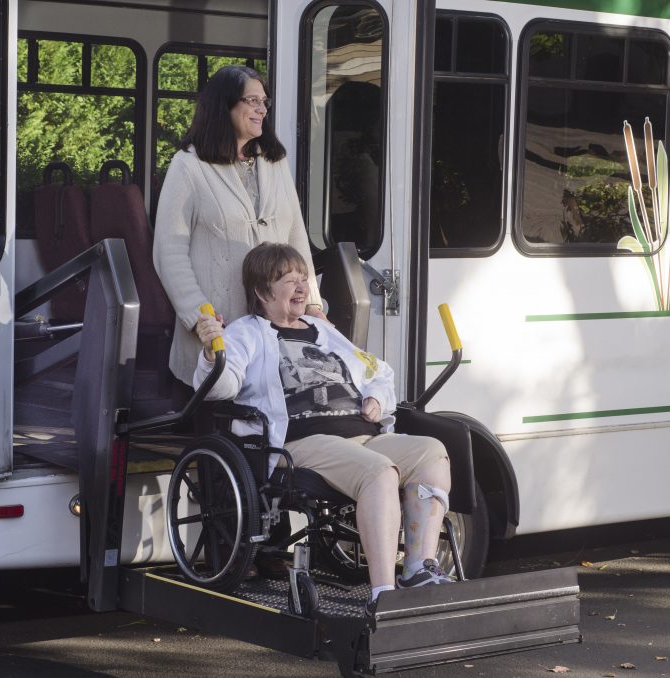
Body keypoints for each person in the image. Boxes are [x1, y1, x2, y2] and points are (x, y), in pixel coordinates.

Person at [194, 242, 454, 611]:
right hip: (301, 440)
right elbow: (220, 388)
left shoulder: (321, 329)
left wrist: (377, 398)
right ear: (261, 290)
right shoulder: (246, 333)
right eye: (289, 281)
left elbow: (376, 370)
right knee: (380, 473)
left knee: (432, 452)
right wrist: (211, 352)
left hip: (360, 434)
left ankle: (417, 567)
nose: (302, 288)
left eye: (304, 279)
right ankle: (383, 592)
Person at [153, 65, 325, 393]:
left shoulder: (275, 163)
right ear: (225, 105)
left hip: (276, 326)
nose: (262, 109)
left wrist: (313, 303)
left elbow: (296, 237)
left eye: (265, 102)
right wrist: (199, 317)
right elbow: (168, 251)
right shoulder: (188, 165)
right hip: (219, 328)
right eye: (252, 101)